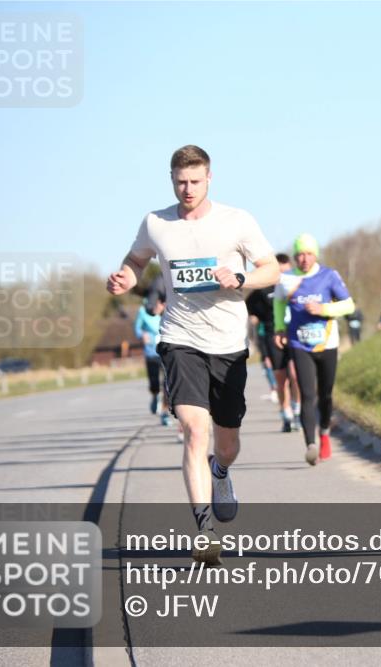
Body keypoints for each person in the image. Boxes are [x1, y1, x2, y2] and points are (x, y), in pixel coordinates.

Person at [107, 145, 279, 564]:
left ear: (209, 178)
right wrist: (125, 277)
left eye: (195, 181)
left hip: (228, 344)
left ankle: (220, 473)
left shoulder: (236, 221)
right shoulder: (156, 223)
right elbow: (136, 258)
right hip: (179, 338)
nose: (188, 189)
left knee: (227, 443)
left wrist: (240, 277)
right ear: (171, 179)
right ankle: (204, 529)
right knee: (193, 429)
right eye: (181, 181)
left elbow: (271, 268)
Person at [273, 233, 355, 465]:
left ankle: (325, 433)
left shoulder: (329, 276)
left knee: (326, 394)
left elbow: (349, 305)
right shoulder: (286, 279)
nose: (304, 259)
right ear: (294, 257)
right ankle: (310, 444)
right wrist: (280, 328)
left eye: (308, 254)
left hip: (327, 343)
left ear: (315, 254)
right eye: (299, 254)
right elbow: (278, 302)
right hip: (299, 343)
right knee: (307, 394)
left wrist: (324, 309)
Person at [248, 253, 302, 432]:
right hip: (273, 336)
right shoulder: (263, 290)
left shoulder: (297, 284)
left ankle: (297, 410)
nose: (284, 276)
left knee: (295, 375)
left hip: (295, 333)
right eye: (281, 272)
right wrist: (255, 320)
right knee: (281, 379)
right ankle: (285, 413)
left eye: (287, 272)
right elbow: (249, 308)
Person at [134, 291, 171, 426]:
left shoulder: (169, 309)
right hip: (151, 352)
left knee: (167, 384)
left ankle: (165, 413)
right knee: (154, 383)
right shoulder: (143, 312)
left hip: (167, 352)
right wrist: (142, 335)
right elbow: (137, 328)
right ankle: (155, 396)